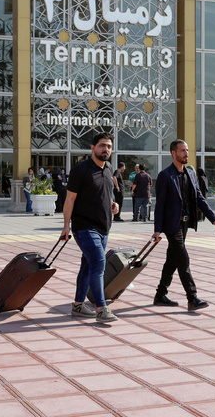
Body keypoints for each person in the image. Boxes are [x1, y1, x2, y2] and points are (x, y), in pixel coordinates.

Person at [151, 139, 215, 311]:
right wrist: (157, 230)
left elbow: (199, 199)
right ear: (173, 153)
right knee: (183, 258)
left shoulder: (190, 174)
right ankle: (192, 297)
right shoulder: (165, 175)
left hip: (185, 223)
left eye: (187, 150)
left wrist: (213, 218)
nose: (186, 153)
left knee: (172, 260)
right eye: (182, 151)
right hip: (171, 225)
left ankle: (160, 294)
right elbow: (160, 205)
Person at [62, 132, 120, 324]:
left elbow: (105, 192)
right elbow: (69, 200)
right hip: (84, 227)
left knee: (87, 267)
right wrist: (65, 227)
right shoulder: (81, 170)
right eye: (102, 145)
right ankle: (101, 308)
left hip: (104, 227)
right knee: (98, 264)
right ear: (92, 148)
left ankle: (78, 305)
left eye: (109, 146)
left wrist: (113, 204)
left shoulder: (109, 167)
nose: (106, 149)